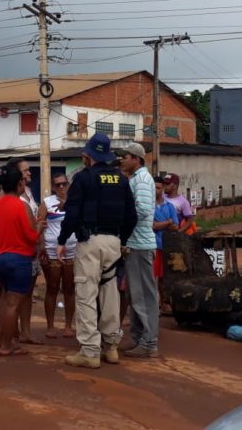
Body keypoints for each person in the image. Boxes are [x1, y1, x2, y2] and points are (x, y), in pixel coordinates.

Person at [58, 133, 137, 369]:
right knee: (110, 294)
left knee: (86, 295)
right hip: (113, 242)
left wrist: (62, 240)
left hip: (89, 242)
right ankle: (111, 347)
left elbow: (72, 214)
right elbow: (131, 216)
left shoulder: (82, 179)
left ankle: (90, 351)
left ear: (88, 155)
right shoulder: (121, 180)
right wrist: (120, 239)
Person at [0, 164, 44, 357]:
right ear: (20, 182)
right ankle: (7, 344)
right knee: (13, 304)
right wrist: (39, 226)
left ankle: (2, 340)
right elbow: (31, 237)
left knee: (6, 301)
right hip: (18, 258)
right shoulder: (21, 205)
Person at [118, 142, 159, 359]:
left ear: (136, 158)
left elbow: (142, 211)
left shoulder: (141, 180)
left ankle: (149, 342)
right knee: (135, 295)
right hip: (136, 244)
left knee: (143, 295)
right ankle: (138, 337)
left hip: (140, 244)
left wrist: (123, 226)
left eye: (125, 156)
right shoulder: (136, 179)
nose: (121, 160)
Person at [4, 157, 42, 345]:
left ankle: (25, 331)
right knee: (11, 296)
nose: (29, 173)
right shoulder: (8, 194)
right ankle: (7, 335)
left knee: (27, 293)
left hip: (31, 249)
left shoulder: (27, 192)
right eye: (25, 170)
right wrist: (38, 228)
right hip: (17, 249)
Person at [38, 172, 77, 339]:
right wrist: (41, 247)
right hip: (51, 250)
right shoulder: (47, 203)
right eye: (58, 184)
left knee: (69, 289)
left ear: (68, 184)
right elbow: (39, 225)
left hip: (73, 251)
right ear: (53, 187)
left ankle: (68, 325)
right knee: (52, 288)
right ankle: (50, 325)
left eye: (64, 184)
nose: (61, 187)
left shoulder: (75, 201)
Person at [153, 176, 179, 314]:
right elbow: (152, 226)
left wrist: (163, 224)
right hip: (153, 246)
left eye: (158, 187)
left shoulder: (169, 206)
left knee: (164, 277)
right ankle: (154, 305)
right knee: (152, 278)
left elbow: (175, 225)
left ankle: (164, 303)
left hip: (167, 246)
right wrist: (167, 222)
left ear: (162, 188)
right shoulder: (148, 206)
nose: (155, 190)